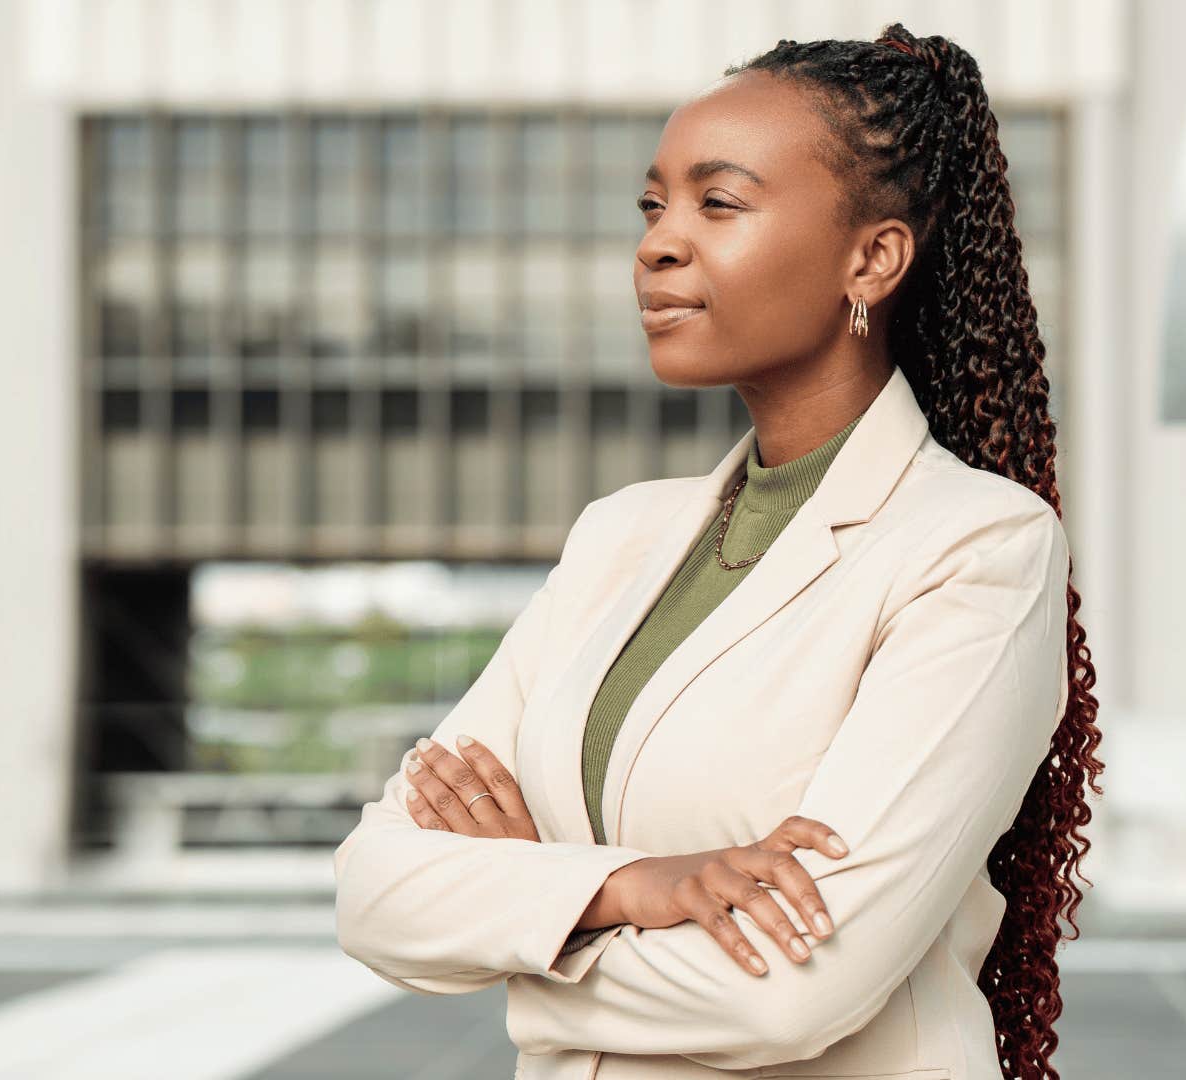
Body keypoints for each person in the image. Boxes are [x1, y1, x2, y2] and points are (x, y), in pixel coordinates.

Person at [333, 24, 1103, 1080]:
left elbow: (793, 992)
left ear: (871, 258)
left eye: (719, 203)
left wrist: (527, 934)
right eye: (653, 207)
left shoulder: (975, 548)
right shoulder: (619, 538)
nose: (658, 243)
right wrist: (626, 886)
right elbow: (375, 887)